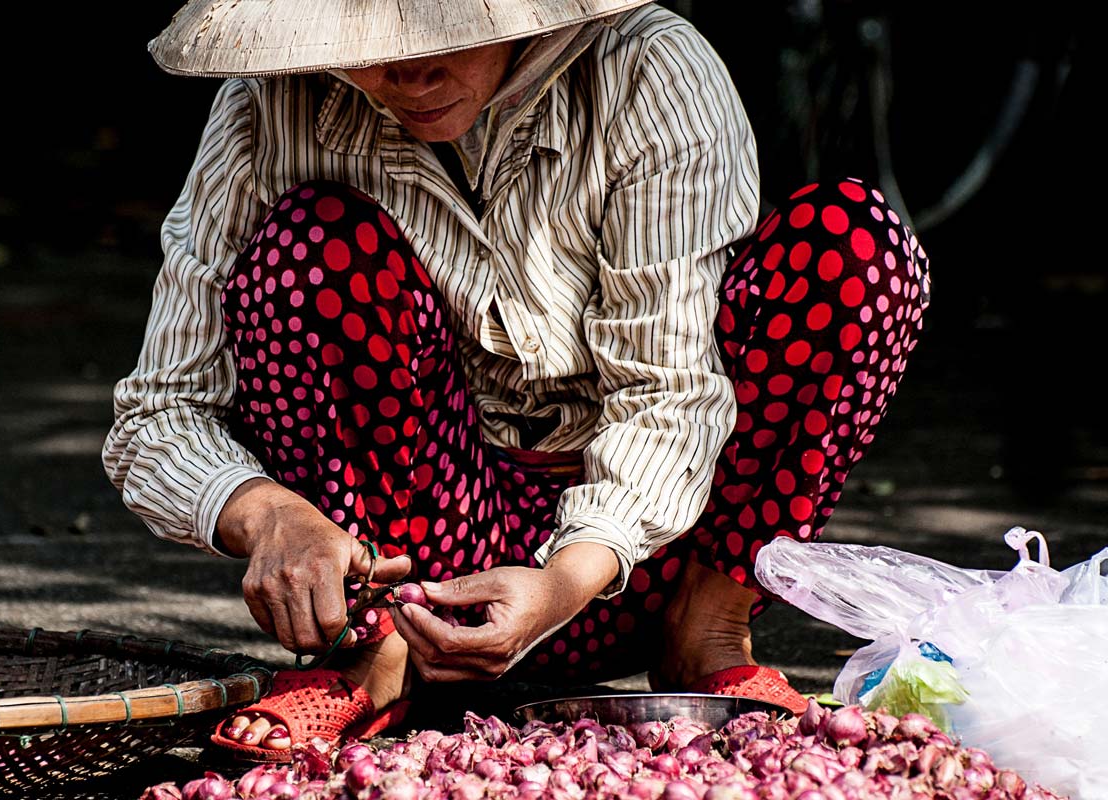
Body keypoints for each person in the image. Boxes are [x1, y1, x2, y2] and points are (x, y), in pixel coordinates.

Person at [104, 0, 930, 761]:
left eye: (446, 35)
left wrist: (569, 576)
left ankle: (709, 630)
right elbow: (158, 411)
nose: (410, 75)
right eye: (375, 48)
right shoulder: (267, 106)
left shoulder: (647, 71)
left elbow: (671, 393)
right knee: (313, 248)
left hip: (650, 560)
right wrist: (268, 513)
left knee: (853, 245)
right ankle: (370, 651)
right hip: (418, 565)